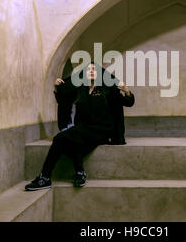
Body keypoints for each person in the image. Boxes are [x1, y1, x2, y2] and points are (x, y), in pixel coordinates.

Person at [25, 62, 135, 190]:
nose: (92, 71)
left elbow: (128, 102)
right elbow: (63, 99)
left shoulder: (107, 89)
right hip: (83, 129)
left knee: (69, 136)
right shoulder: (81, 89)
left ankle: (52, 177)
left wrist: (126, 91)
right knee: (61, 138)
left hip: (102, 129)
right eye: (88, 70)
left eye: (94, 69)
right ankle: (50, 177)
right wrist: (57, 87)